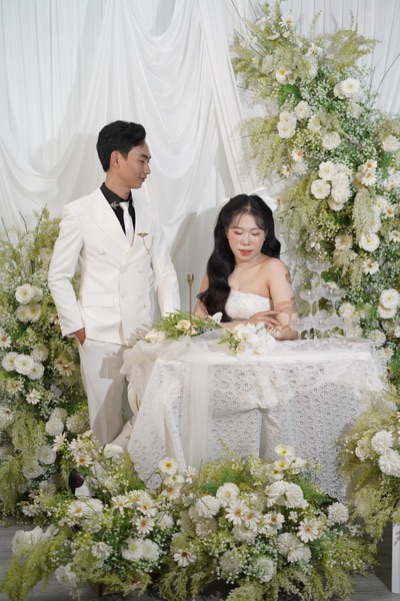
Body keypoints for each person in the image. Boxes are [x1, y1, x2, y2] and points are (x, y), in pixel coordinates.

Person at [48, 120, 180, 450]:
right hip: (98, 335)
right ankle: (99, 482)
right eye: (142, 160)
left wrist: (172, 324)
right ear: (116, 159)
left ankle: (114, 474)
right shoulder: (79, 212)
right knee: (104, 424)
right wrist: (78, 328)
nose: (148, 169)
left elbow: (165, 272)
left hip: (143, 335)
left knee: (153, 411)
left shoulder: (149, 213)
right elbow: (58, 275)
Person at [195, 194, 297, 339]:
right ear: (226, 231)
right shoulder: (216, 268)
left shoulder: (274, 269)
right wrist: (247, 324)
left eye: (254, 234)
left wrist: (243, 329)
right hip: (220, 351)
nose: (246, 241)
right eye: (238, 232)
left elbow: (290, 330)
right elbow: (197, 326)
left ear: (266, 234)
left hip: (262, 351)